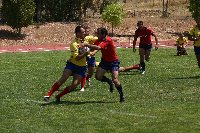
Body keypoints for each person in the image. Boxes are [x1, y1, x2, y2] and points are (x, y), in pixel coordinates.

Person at [44, 25, 89, 102]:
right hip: (72, 64)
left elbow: (97, 41)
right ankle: (48, 95)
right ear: (77, 33)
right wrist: (86, 54)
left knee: (74, 86)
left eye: (85, 32)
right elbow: (77, 58)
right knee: (63, 78)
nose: (85, 33)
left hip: (81, 67)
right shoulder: (74, 44)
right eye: (83, 32)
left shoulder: (87, 39)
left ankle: (59, 96)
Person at [81, 27, 125, 103]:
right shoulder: (100, 40)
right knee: (98, 77)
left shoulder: (107, 40)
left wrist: (87, 45)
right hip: (104, 61)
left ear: (103, 34)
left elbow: (98, 47)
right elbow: (96, 47)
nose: (96, 34)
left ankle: (121, 95)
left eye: (98, 33)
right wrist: (91, 52)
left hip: (113, 62)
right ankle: (109, 81)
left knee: (115, 79)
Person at [80, 23, 98, 92]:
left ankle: (87, 78)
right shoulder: (80, 38)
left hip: (91, 57)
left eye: (88, 30)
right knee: (83, 71)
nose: (87, 31)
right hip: (84, 57)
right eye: (85, 30)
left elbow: (98, 43)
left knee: (91, 73)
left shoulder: (91, 38)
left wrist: (93, 52)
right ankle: (82, 87)